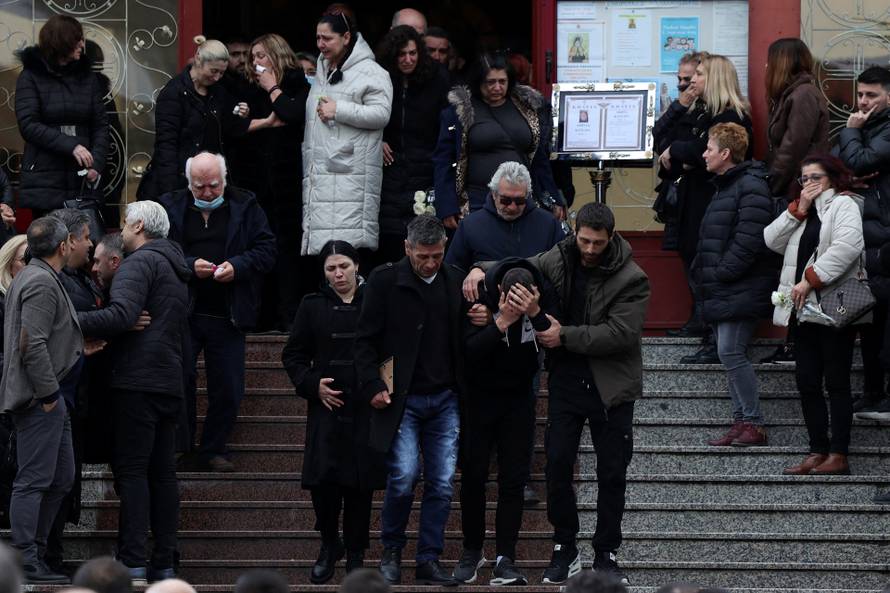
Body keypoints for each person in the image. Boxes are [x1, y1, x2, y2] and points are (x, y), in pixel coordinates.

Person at [464, 203, 649, 584]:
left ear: (611, 237)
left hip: (611, 384)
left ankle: (606, 552)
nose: (590, 249)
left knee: (612, 472)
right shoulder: (561, 255)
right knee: (558, 465)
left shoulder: (632, 277)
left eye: (598, 243)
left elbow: (621, 334)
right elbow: (523, 265)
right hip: (567, 380)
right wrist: (482, 269)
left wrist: (563, 335)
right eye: (585, 240)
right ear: (574, 233)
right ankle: (565, 546)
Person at [77, 201, 191, 582]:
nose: (121, 231)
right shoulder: (175, 267)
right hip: (168, 382)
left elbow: (122, 315)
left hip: (137, 382)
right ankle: (164, 561)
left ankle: (132, 560)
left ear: (139, 226)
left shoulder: (138, 263)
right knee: (163, 474)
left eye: (125, 224)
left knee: (133, 472)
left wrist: (66, 317)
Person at [353, 215, 467, 586]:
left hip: (445, 396)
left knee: (442, 482)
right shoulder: (385, 281)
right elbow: (365, 340)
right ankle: (391, 550)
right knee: (403, 475)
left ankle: (428, 558)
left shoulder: (454, 279)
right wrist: (372, 385)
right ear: (407, 248)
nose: (430, 263)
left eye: (436, 256)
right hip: (402, 398)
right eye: (423, 256)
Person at [158, 152, 276, 472]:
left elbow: (267, 251)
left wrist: (237, 266)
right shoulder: (171, 206)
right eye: (200, 187)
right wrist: (187, 265)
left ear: (224, 179)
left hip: (229, 312)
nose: (208, 193)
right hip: (185, 311)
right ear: (188, 183)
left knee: (228, 386)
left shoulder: (246, 206)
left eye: (213, 185)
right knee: (180, 380)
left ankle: (213, 448)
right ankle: (181, 447)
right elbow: (157, 249)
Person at [453, 259, 556, 586]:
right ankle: (472, 550)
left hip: (519, 399)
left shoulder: (540, 297)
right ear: (499, 290)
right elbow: (470, 351)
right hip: (479, 398)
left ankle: (505, 557)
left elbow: (552, 336)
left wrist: (534, 312)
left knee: (513, 479)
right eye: (512, 298)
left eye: (524, 297)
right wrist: (501, 321)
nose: (518, 303)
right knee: (474, 475)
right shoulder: (478, 297)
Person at [765, 154, 866, 476]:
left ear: (832, 178)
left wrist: (810, 279)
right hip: (804, 310)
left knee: (836, 381)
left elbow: (848, 246)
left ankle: (839, 453)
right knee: (807, 381)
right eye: (804, 178)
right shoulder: (803, 212)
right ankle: (816, 449)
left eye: (815, 177)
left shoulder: (843, 204)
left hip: (834, 306)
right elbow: (771, 240)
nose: (808, 183)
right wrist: (797, 210)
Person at [282, 240, 374, 583]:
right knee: (324, 482)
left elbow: (390, 349)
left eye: (344, 266)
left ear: (357, 266)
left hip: (365, 404)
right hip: (326, 406)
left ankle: (356, 551)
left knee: (360, 485)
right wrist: (312, 384)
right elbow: (293, 355)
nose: (338, 274)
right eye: (331, 268)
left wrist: (382, 389)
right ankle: (329, 543)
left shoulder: (374, 300)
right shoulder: (312, 305)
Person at [1, 216, 84, 584]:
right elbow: (31, 344)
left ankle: (35, 550)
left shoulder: (37, 276)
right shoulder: (39, 281)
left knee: (62, 477)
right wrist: (50, 394)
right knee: (34, 480)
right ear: (63, 246)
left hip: (50, 397)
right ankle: (26, 559)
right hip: (41, 399)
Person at [656, 53, 753, 364]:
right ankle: (703, 326)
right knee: (697, 264)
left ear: (715, 79)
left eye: (698, 74)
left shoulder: (731, 116)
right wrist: (680, 151)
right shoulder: (702, 112)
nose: (692, 80)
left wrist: (680, 152)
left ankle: (715, 339)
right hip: (693, 199)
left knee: (712, 269)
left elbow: (702, 153)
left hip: (714, 200)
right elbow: (666, 142)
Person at [693, 123, 780, 447]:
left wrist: (721, 272)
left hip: (740, 286)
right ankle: (741, 420)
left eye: (709, 149)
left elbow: (749, 239)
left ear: (726, 153)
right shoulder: (727, 186)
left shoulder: (750, 186)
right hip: (726, 288)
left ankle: (752, 423)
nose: (704, 154)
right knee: (727, 352)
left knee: (730, 351)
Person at [758, 38, 830, 366]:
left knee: (797, 265)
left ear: (783, 63)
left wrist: (771, 184)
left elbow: (792, 147)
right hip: (795, 189)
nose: (766, 67)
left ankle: (796, 343)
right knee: (792, 265)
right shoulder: (795, 94)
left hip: (800, 192)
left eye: (771, 61)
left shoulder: (801, 95)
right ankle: (794, 340)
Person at [433, 51, 563, 230]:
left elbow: (539, 160)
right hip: (477, 202)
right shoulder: (458, 112)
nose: (497, 87)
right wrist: (447, 206)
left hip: (523, 200)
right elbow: (444, 160)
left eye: (502, 81)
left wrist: (553, 198)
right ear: (479, 82)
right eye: (490, 82)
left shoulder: (527, 108)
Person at [138, 37, 279, 200]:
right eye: (213, 71)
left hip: (210, 182)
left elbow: (231, 126)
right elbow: (166, 146)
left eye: (222, 73)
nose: (217, 77)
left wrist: (261, 120)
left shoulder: (218, 91)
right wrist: (171, 194)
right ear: (198, 59)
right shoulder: (174, 93)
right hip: (181, 180)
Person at [302, 9, 393, 256]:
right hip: (320, 175)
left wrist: (339, 110)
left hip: (351, 176)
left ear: (346, 37)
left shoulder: (371, 72)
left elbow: (381, 113)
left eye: (327, 38)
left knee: (347, 252)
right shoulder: (322, 70)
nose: (321, 44)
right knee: (324, 255)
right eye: (318, 38)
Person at [241, 33, 310, 329]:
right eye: (253, 57)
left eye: (261, 55)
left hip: (290, 182)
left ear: (277, 54)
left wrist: (272, 88)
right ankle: (261, 317)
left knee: (289, 252)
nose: (256, 61)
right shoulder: (248, 88)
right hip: (257, 183)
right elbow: (235, 126)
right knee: (259, 247)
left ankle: (288, 318)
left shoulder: (298, 83)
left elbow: (292, 113)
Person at [43, 209, 98, 574]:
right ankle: (43, 554)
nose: (91, 244)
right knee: (52, 478)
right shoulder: (53, 281)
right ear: (69, 241)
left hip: (74, 397)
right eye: (87, 237)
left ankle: (51, 552)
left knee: (65, 478)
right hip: (55, 397)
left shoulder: (78, 278)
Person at [836, 66, 890, 419]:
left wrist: (851, 133)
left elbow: (860, 161)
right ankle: (872, 392)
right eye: (860, 95)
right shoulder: (865, 127)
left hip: (884, 236)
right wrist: (848, 176)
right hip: (864, 236)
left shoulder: (872, 129)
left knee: (883, 322)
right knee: (869, 321)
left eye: (872, 95)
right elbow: (835, 167)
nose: (863, 101)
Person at [15, 15, 108, 215]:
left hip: (81, 179)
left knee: (84, 233)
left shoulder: (88, 78)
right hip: (45, 178)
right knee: (50, 233)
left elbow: (101, 125)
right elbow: (28, 124)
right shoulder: (31, 76)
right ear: (61, 42)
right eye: (77, 39)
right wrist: (71, 146)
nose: (82, 45)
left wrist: (96, 165)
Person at [375, 25, 450, 264]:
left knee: (423, 237)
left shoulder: (437, 79)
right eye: (401, 54)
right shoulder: (381, 80)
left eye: (413, 53)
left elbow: (447, 127)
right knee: (390, 238)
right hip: (390, 168)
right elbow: (369, 115)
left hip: (426, 169)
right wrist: (376, 139)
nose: (408, 59)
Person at [446, 161, 565, 272]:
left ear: (527, 195)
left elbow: (562, 271)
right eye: (505, 200)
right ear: (494, 194)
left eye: (519, 201)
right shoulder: (469, 226)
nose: (512, 207)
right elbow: (452, 273)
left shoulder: (549, 225)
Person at [652, 51, 703, 268]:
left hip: (697, 197)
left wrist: (674, 151)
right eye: (679, 79)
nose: (682, 85)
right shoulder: (680, 107)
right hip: (675, 197)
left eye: (687, 79)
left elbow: (695, 152)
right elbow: (657, 139)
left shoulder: (705, 111)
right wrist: (678, 107)